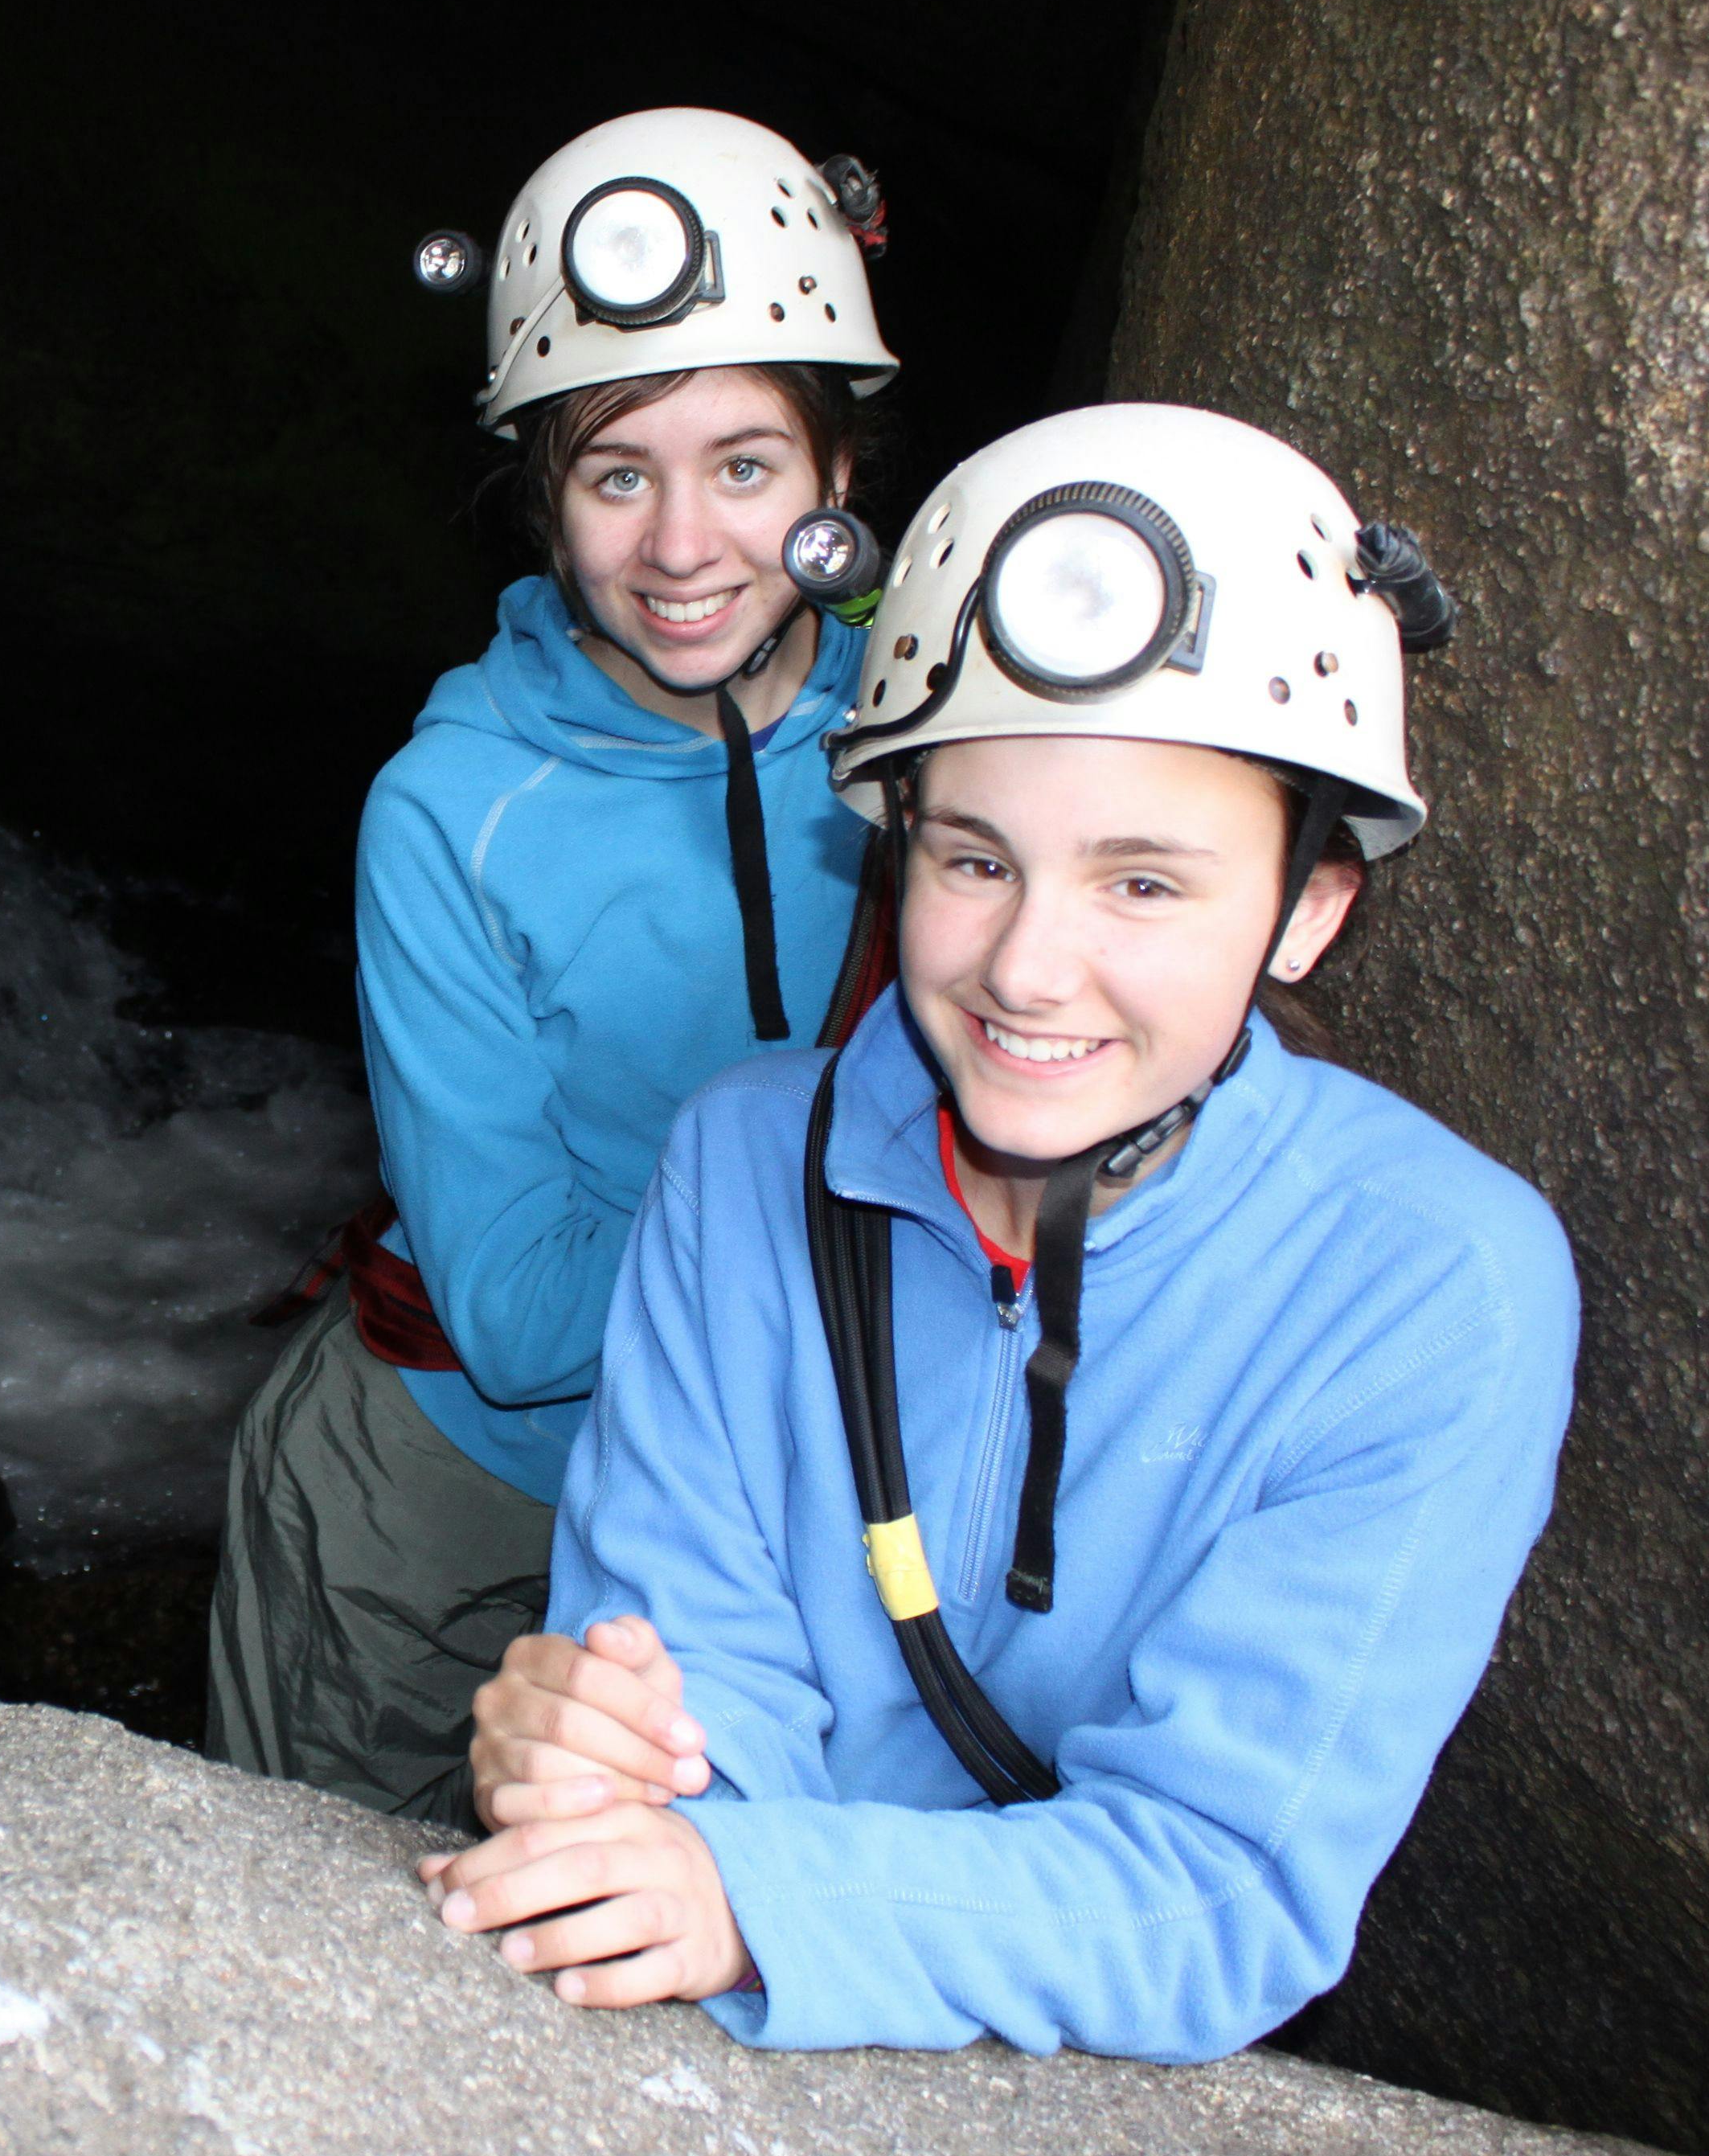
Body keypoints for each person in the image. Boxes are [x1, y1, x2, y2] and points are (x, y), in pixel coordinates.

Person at [417, 402, 1577, 2060]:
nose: (1029, 969)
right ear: (896, 844)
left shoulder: (1428, 1286)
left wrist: (745, 1888)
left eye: (1146, 885)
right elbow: (694, 1681)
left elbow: (1228, 1876)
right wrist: (624, 1770)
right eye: (974, 859)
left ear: (1310, 908)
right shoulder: (745, 1166)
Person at [205, 111, 900, 1822]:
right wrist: (881, 1241)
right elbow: (516, 1314)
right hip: (459, 1493)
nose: (678, 549)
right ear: (542, 497)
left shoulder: (946, 717)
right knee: (318, 1941)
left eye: (744, 465)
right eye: (615, 474)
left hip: (764, 1489)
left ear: (838, 486)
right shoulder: (454, 813)